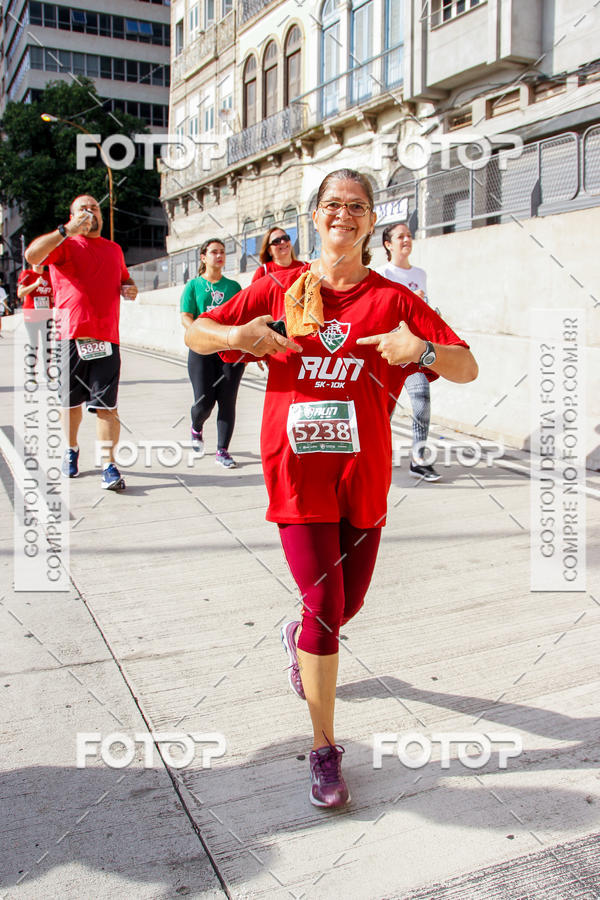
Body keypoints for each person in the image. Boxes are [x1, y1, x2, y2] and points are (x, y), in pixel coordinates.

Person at [185, 168, 478, 809]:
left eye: (357, 206)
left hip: (363, 477)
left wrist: (421, 350)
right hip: (297, 473)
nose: (344, 214)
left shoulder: (396, 300)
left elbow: (467, 365)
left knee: (345, 606)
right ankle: (323, 749)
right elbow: (197, 331)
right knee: (324, 607)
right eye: (332, 205)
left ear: (372, 221)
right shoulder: (281, 285)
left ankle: (301, 640)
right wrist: (235, 336)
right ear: (314, 216)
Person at [24, 194, 138, 490]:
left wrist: (130, 288)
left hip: (106, 338)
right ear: (72, 215)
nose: (90, 212)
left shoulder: (114, 249)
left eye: (94, 208)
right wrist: (65, 231)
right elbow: (32, 256)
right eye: (82, 209)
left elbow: (124, 279)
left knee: (107, 406)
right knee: (71, 403)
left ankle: (108, 465)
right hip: (69, 337)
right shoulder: (64, 245)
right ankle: (71, 449)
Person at [378, 222, 440, 481]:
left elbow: (421, 309)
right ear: (388, 244)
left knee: (421, 399)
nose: (407, 239)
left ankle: (418, 458)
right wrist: (408, 298)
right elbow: (379, 313)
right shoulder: (381, 273)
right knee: (383, 409)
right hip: (388, 352)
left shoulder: (421, 273)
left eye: (409, 235)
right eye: (400, 236)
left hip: (413, 350)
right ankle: (377, 456)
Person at [180, 238, 243, 468]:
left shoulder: (233, 287)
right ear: (203, 257)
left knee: (227, 401)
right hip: (202, 350)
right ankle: (196, 428)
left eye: (223, 252)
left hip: (229, 351)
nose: (219, 256)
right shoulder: (193, 286)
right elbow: (186, 316)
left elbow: (242, 316)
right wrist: (197, 332)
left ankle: (222, 450)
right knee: (204, 402)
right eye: (214, 252)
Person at [17, 263, 54, 380]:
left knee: (47, 345)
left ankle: (46, 372)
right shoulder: (27, 274)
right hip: (31, 316)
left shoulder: (49, 275)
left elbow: (53, 294)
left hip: (46, 316)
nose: (39, 264)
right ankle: (31, 373)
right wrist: (36, 284)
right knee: (34, 345)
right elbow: (20, 293)